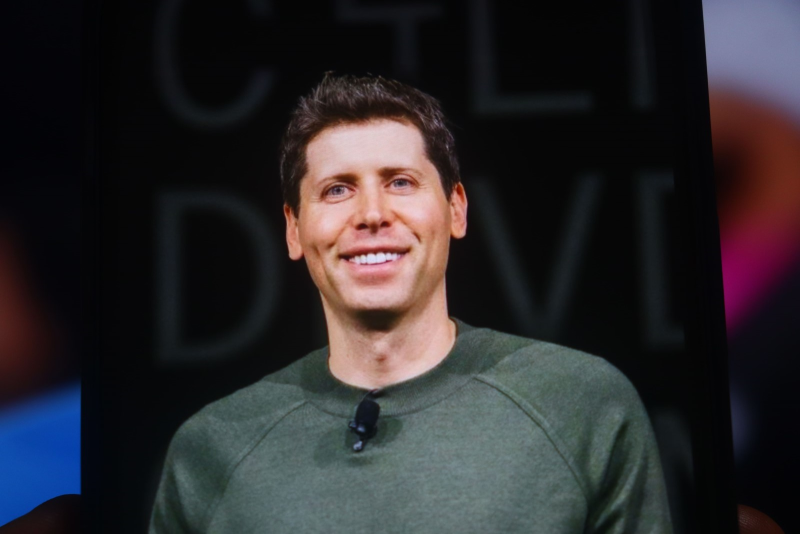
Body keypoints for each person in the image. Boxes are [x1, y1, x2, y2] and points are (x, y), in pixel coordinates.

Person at [148, 73, 672, 533]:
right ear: (293, 229)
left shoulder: (580, 405)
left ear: (456, 209)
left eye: (400, 182)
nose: (371, 214)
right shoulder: (212, 448)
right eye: (337, 190)